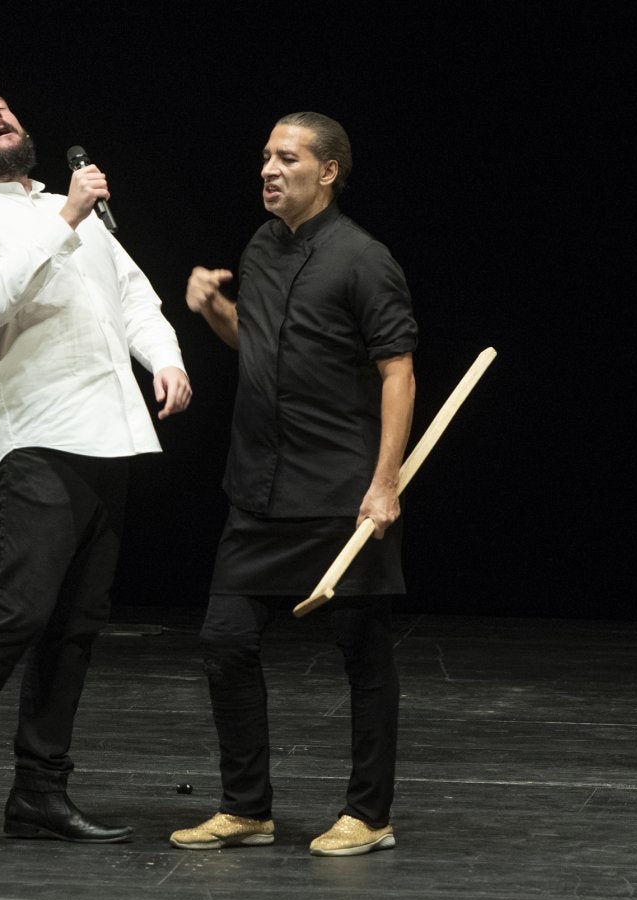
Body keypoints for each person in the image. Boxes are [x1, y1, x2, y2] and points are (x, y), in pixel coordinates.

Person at [0, 85, 193, 847]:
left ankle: (39, 790)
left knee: (75, 624)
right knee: (22, 608)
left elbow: (130, 291)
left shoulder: (72, 204)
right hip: (35, 433)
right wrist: (65, 220)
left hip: (110, 433)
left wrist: (163, 356)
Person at [170, 112, 417, 857]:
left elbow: (397, 369)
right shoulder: (259, 247)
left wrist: (383, 483)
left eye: (286, 158)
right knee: (225, 639)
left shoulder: (364, 259)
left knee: (363, 653)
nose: (268, 170)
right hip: (259, 486)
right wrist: (218, 312)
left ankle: (369, 814)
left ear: (329, 170)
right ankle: (247, 806)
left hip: (340, 491)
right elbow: (262, 345)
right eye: (265, 158)